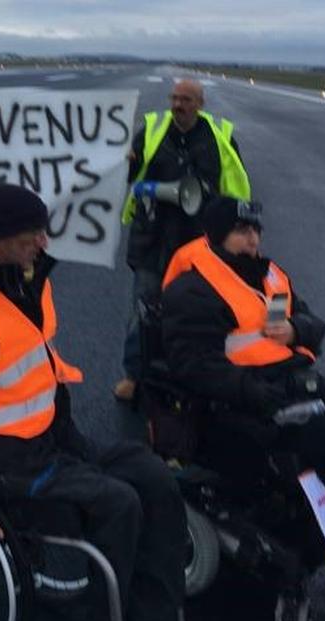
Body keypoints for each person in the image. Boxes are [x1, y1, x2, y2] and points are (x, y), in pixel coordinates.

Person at [0, 184, 187, 621]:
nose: (43, 243)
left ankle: (153, 619)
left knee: (156, 477)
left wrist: (66, 431)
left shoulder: (28, 275)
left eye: (43, 232)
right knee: (118, 503)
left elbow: (40, 364)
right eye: (32, 236)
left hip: (53, 439)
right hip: (1, 459)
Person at [161, 195, 325, 621]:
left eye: (256, 230)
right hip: (244, 403)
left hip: (293, 377)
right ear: (217, 234)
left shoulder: (269, 276)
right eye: (243, 231)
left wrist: (297, 328)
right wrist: (256, 392)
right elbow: (193, 366)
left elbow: (309, 323)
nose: (254, 238)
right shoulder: (193, 289)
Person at [113, 78, 250, 402]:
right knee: (143, 309)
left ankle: (195, 374)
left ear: (200, 104)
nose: (178, 105)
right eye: (174, 98)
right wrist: (128, 164)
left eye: (186, 100)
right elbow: (129, 174)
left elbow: (235, 183)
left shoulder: (219, 136)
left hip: (199, 242)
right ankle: (135, 375)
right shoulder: (151, 130)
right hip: (153, 238)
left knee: (197, 312)